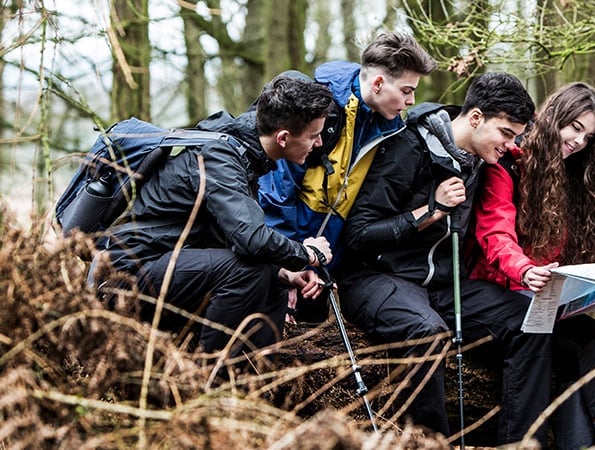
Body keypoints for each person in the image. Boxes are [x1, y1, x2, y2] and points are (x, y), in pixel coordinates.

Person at [338, 73, 551, 445]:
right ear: (474, 118)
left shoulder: (482, 158)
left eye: (515, 135)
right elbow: (358, 235)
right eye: (505, 133)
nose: (510, 144)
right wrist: (429, 211)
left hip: (444, 284)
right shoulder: (408, 148)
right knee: (427, 332)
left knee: (531, 322)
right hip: (377, 278)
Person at [100, 75, 335, 359]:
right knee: (249, 270)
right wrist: (307, 253)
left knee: (271, 276)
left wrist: (286, 272)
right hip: (127, 274)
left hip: (165, 267)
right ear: (283, 138)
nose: (320, 143)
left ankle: (259, 378)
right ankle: (210, 377)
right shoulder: (220, 156)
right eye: (313, 135)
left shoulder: (244, 156)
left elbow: (228, 238)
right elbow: (251, 239)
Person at [467, 82, 595, 448]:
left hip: (544, 299)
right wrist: (524, 270)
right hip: (501, 289)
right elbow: (494, 234)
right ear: (555, 120)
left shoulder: (579, 177)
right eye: (575, 128)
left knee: (590, 338)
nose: (579, 142)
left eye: (588, 136)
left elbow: (588, 249)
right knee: (570, 347)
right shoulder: (508, 164)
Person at [257, 32, 435, 324]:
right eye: (406, 90)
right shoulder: (319, 109)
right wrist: (291, 263)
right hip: (287, 255)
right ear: (378, 83)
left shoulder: (390, 129)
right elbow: (276, 192)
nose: (411, 101)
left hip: (323, 264)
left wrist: (325, 265)